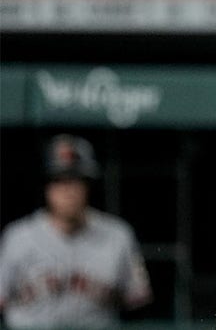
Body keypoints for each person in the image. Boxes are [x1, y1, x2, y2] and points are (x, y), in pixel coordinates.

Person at [0, 135, 152, 328]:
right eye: (59, 181)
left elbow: (138, 304)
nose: (68, 191)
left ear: (88, 186)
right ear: (47, 187)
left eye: (76, 181)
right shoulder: (17, 237)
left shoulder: (118, 235)